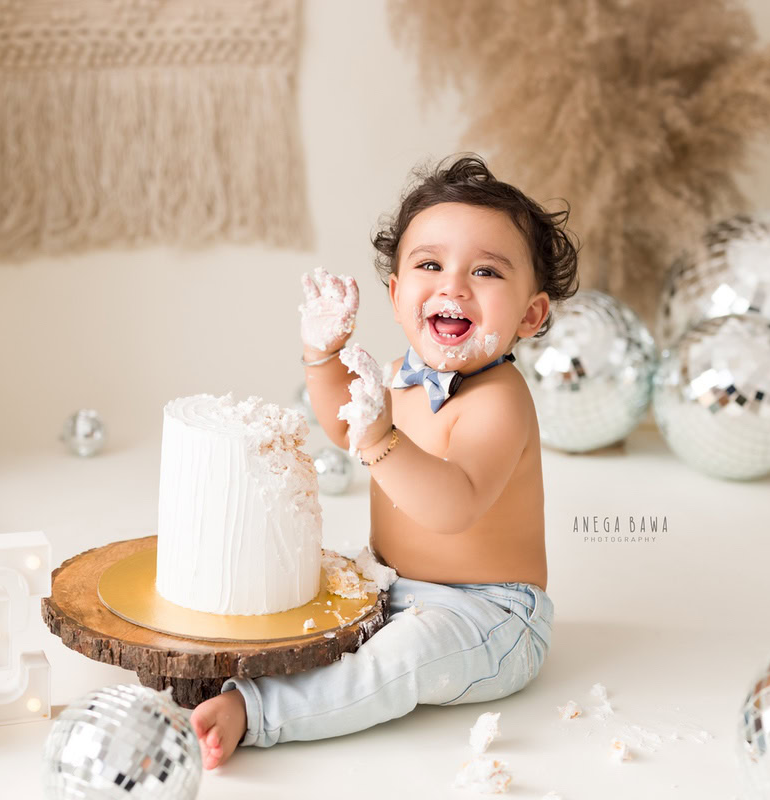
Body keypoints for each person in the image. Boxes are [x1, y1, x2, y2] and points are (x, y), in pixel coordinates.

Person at [190, 153, 580, 769]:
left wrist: (380, 439)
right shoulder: (402, 374)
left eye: (485, 271)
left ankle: (263, 712)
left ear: (530, 314)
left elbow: (453, 505)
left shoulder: (499, 401)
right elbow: (342, 418)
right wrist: (323, 355)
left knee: (403, 660)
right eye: (430, 264)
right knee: (305, 585)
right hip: (391, 584)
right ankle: (218, 659)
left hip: (487, 612)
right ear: (398, 295)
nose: (453, 285)